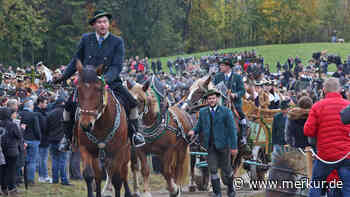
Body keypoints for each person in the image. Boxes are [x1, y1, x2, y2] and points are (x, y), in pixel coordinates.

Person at [53, 10, 145, 148]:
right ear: (94, 25)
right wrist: (63, 76)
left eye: (105, 22)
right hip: (87, 83)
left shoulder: (117, 41)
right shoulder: (86, 39)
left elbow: (116, 66)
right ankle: (67, 138)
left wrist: (105, 79)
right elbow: (76, 60)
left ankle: (134, 134)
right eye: (99, 22)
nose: (103, 25)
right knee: (68, 106)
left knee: (132, 103)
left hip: (110, 81)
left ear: (108, 24)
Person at [304, 78, 350, 197]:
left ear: (324, 90)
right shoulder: (348, 105)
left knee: (316, 184)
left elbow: (308, 130)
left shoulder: (317, 106)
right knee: (347, 186)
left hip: (325, 155)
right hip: (345, 154)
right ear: (340, 90)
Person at [188, 89, 238, 197]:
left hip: (224, 146)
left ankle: (231, 189)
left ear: (217, 99)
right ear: (206, 101)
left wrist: (234, 147)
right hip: (210, 147)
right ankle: (217, 192)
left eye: (213, 98)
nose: (212, 100)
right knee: (213, 170)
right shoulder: (203, 112)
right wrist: (193, 130)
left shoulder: (226, 112)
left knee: (227, 170)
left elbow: (232, 130)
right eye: (209, 99)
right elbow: (199, 126)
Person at [213, 58, 247, 144]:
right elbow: (213, 88)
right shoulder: (217, 77)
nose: (220, 67)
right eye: (220, 65)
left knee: (241, 116)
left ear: (228, 67)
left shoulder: (237, 77)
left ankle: (243, 136)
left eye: (222, 65)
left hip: (234, 103)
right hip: (220, 102)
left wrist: (235, 95)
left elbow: (242, 91)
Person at [46, 98, 72, 186]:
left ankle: (55, 179)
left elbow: (46, 127)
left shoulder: (50, 113)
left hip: (52, 139)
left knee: (55, 160)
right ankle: (64, 180)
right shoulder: (67, 113)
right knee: (63, 160)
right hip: (63, 140)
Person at [0, 108, 22, 195]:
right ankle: (12, 189)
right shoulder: (12, 125)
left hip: (1, 150)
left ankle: (3, 188)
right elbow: (18, 136)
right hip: (11, 150)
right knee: (11, 170)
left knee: (2, 170)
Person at [19, 100, 41, 185]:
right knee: (32, 161)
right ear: (30, 106)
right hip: (33, 140)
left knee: (21, 160)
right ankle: (30, 180)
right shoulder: (33, 115)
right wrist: (39, 138)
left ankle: (19, 178)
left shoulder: (19, 114)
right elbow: (37, 129)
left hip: (22, 139)